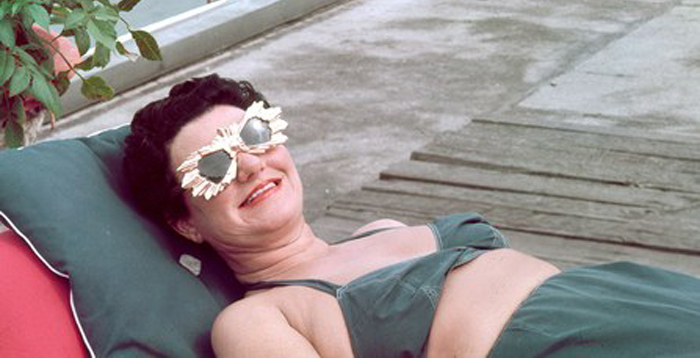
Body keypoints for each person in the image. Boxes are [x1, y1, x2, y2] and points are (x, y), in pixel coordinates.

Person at [124, 75, 700, 358]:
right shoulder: (257, 320)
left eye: (253, 135)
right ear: (186, 222)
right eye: (216, 165)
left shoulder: (381, 229)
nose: (251, 165)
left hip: (621, 293)